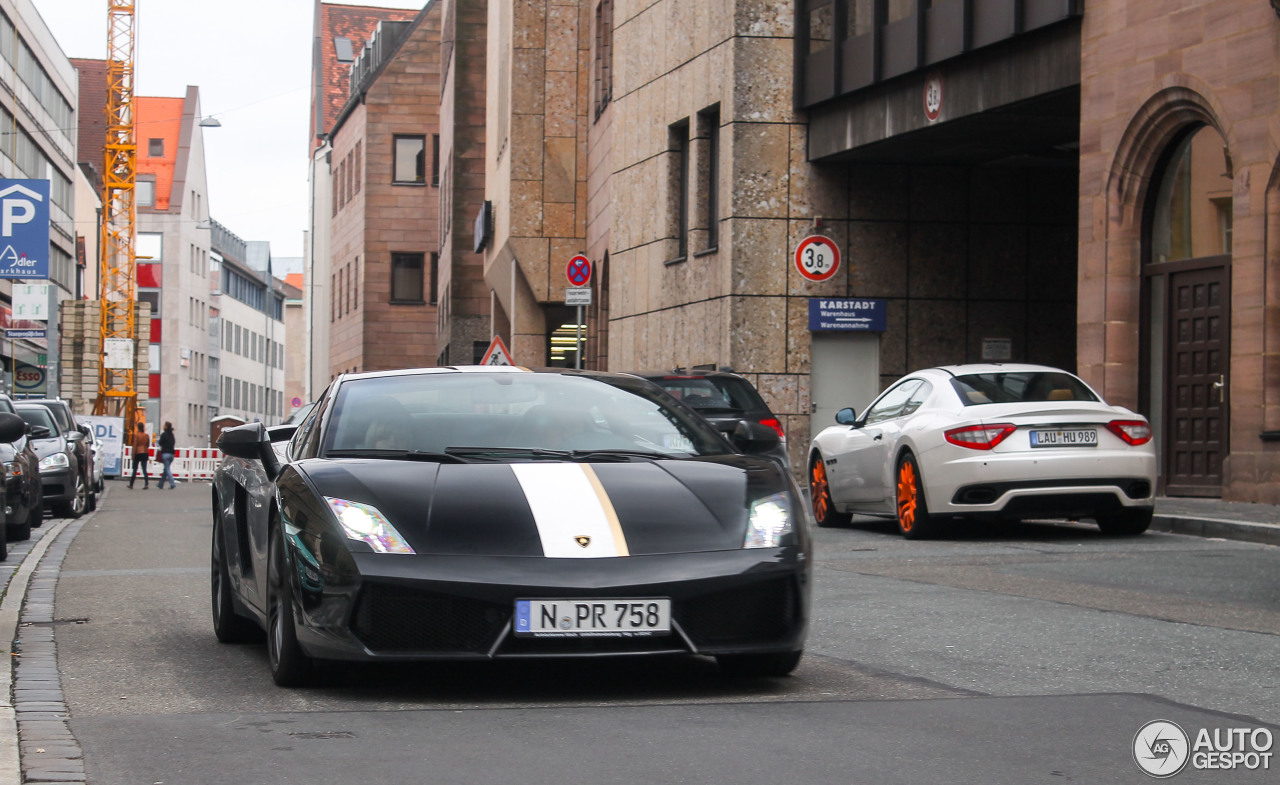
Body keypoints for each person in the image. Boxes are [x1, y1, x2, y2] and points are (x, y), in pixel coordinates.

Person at [129, 422, 151, 489]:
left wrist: (133, 455)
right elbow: (148, 444)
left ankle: (131, 484)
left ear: (138, 428)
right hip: (145, 452)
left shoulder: (136, 435)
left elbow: (135, 445)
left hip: (138, 453)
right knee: (144, 469)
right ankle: (146, 484)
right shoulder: (146, 435)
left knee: (135, 469)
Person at [158, 422, 176, 489]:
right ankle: (160, 484)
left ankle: (172, 483)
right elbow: (173, 442)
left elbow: (160, 442)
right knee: (166, 469)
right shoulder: (172, 435)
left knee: (167, 469)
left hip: (165, 453)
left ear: (166, 426)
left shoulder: (164, 434)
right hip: (171, 454)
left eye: (164, 425)